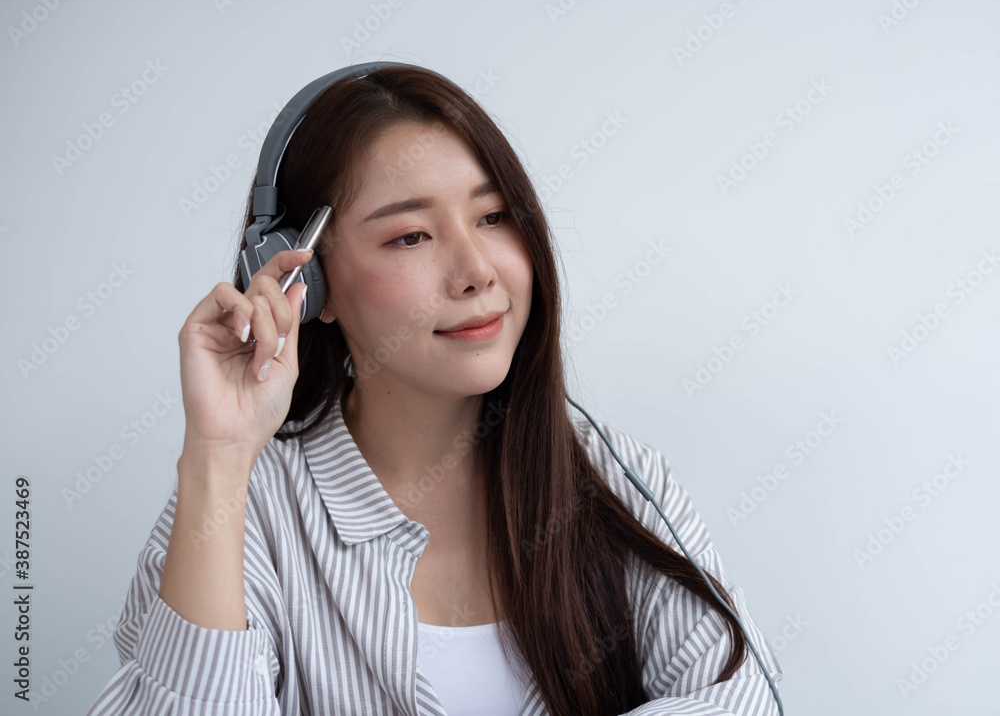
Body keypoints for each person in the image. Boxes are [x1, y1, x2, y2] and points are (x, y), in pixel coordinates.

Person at [85, 64, 783, 716]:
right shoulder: (241, 510)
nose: (477, 269)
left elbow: (744, 699)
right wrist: (218, 455)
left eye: (493, 216)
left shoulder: (612, 478)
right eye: (412, 236)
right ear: (308, 286)